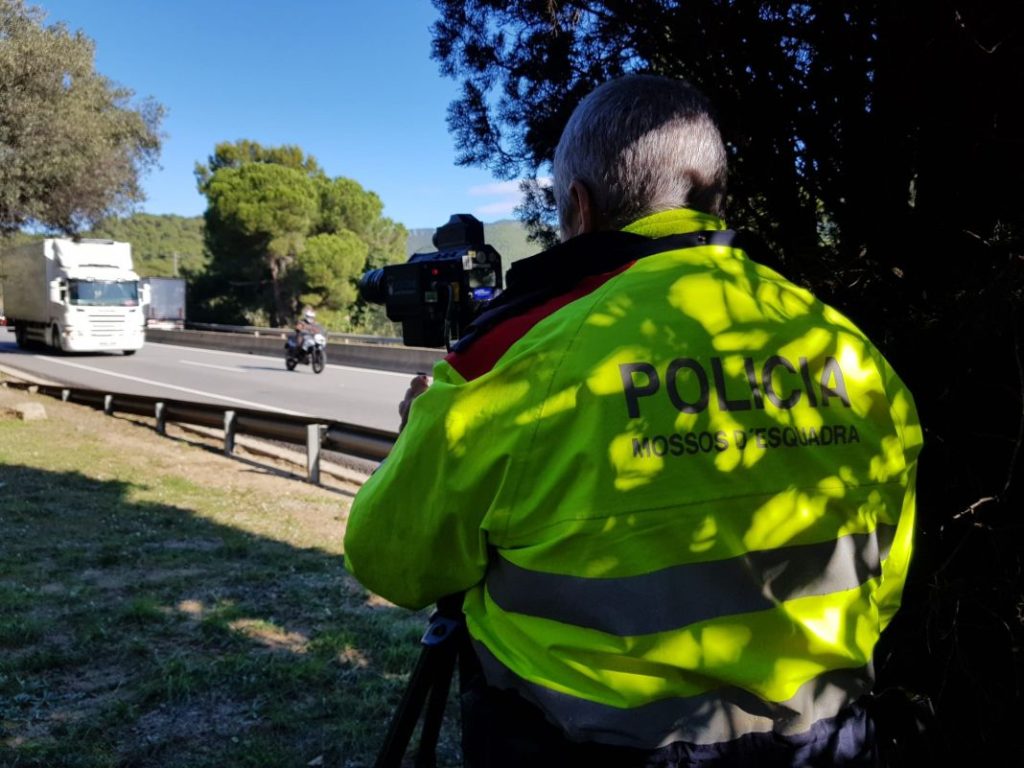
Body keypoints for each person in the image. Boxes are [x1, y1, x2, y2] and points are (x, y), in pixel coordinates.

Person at [344, 74, 922, 767]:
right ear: (715, 198)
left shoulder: (513, 361)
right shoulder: (852, 351)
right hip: (828, 747)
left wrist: (419, 432)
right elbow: (885, 582)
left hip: (580, 749)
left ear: (580, 206)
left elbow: (390, 564)